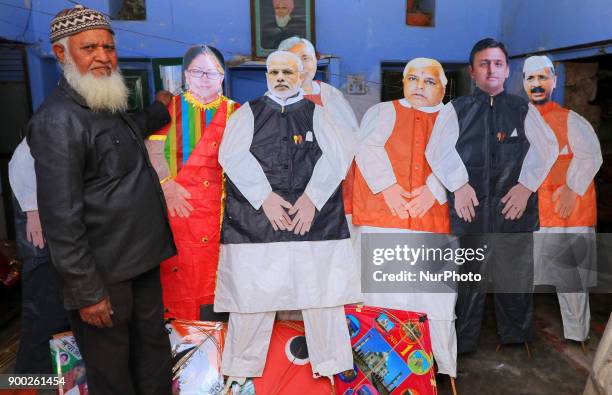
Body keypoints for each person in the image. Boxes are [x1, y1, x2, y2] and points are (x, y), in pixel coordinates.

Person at [27, 5, 176, 394]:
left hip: (139, 261)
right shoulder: (58, 120)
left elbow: (131, 128)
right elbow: (61, 216)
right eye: (89, 48)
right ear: (61, 54)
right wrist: (86, 292)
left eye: (108, 48)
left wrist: (161, 108)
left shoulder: (103, 101)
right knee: (112, 373)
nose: (103, 57)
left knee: (152, 356)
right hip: (102, 277)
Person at [214, 50, 359, 388]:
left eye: (287, 72)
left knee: (322, 292)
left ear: (299, 76)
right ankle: (240, 367)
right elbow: (231, 156)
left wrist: (312, 199)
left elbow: (338, 157)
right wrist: (265, 198)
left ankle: (335, 361)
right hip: (258, 224)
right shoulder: (246, 114)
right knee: (251, 296)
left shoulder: (318, 115)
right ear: (266, 75)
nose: (280, 78)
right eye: (274, 72)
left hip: (313, 222)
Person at [425, 38, 559, 354]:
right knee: (469, 283)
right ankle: (464, 344)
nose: (491, 69)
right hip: (472, 211)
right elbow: (437, 151)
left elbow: (547, 148)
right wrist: (458, 184)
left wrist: (526, 186)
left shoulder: (523, 109)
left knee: (515, 279)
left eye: (497, 63)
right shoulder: (455, 110)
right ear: (472, 71)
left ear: (507, 70)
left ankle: (516, 339)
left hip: (514, 209)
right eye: (484, 63)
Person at [353, 58, 458, 379]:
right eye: (412, 79)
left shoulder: (454, 117)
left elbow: (463, 156)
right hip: (384, 221)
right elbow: (366, 148)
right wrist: (389, 189)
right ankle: (381, 373)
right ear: (402, 82)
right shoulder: (381, 112)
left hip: (434, 223)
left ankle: (440, 370)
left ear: (444, 87)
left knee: (436, 300)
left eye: (429, 81)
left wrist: (434, 190)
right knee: (384, 301)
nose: (419, 86)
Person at [147, 45, 239, 321]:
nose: (204, 77)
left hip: (223, 214)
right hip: (177, 210)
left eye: (212, 72)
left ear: (223, 76)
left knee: (217, 281)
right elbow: (152, 151)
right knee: (179, 277)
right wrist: (166, 185)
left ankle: (216, 349)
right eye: (197, 71)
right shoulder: (166, 110)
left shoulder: (237, 112)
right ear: (186, 74)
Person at [523, 55, 602, 344]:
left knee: (572, 281)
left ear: (554, 82)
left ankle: (577, 335)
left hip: (570, 217)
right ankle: (518, 332)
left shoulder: (572, 121)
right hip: (536, 215)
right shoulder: (520, 121)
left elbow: (591, 156)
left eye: (543, 77)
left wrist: (571, 188)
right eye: (530, 78)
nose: (537, 84)